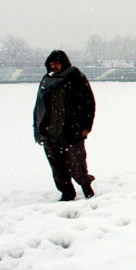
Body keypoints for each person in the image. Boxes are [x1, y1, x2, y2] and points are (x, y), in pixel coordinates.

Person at [33, 50, 96, 201]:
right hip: (50, 131)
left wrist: (86, 126)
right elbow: (39, 106)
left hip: (71, 129)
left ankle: (86, 186)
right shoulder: (47, 80)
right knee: (57, 166)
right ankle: (67, 193)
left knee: (76, 163)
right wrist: (38, 127)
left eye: (57, 63)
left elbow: (88, 103)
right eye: (51, 63)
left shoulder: (75, 77)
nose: (53, 66)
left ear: (64, 63)